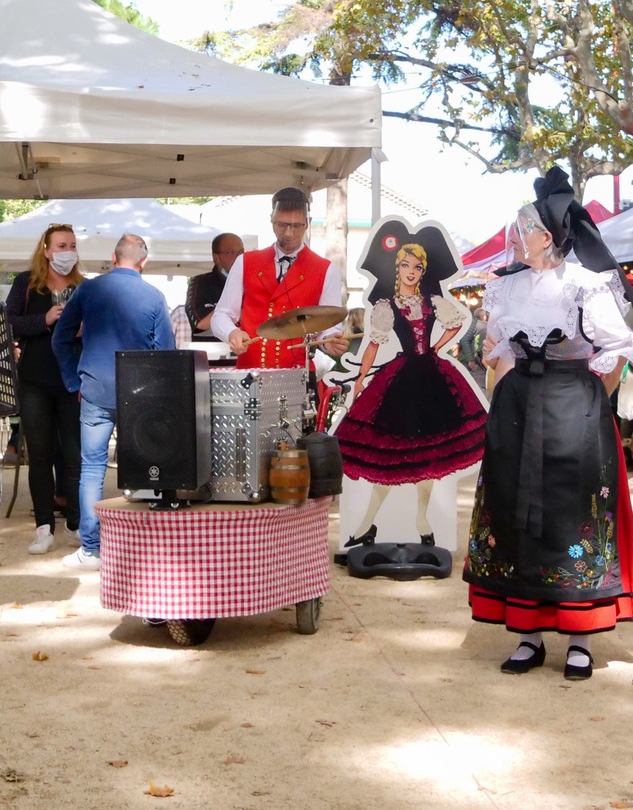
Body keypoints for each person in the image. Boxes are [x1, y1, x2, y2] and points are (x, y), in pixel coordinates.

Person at [466, 168, 633, 680]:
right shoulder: (505, 289)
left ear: (547, 236)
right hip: (518, 409)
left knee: (571, 514)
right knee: (516, 511)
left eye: (522, 228)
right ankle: (528, 636)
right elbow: (498, 350)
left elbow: (622, 344)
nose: (514, 236)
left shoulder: (585, 284)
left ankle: (579, 640)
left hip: (573, 407)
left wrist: (595, 392)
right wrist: (500, 374)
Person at [333, 226, 488, 551]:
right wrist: (361, 378)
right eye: (406, 266)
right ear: (397, 268)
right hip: (402, 380)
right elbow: (374, 344)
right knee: (391, 456)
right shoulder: (387, 305)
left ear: (422, 271)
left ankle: (421, 520)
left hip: (431, 378)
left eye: (417, 267)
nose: (411, 272)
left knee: (428, 455)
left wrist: (437, 347)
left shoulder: (432, 301)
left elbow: (458, 322)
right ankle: (368, 525)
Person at [53, 234, 176, 570]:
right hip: (139, 393)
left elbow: (60, 337)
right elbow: (166, 353)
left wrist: (71, 380)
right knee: (143, 468)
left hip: (93, 388)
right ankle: (141, 550)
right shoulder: (153, 296)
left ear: (113, 256)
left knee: (91, 470)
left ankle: (91, 549)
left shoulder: (89, 289)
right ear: (144, 262)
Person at [5, 223, 84, 554]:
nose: (67, 251)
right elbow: (8, 322)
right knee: (39, 454)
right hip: (35, 380)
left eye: (72, 245)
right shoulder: (26, 284)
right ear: (46, 250)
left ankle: (76, 524)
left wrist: (84, 328)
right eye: (61, 245)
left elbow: (99, 326)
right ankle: (42, 527)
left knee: (75, 456)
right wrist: (45, 320)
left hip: (73, 380)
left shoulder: (84, 287)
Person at [209, 188, 349, 366]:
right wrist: (232, 333)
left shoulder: (327, 270)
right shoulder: (245, 262)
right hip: (251, 372)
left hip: (297, 375)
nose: (289, 233)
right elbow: (221, 315)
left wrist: (329, 340)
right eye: (282, 225)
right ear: (271, 220)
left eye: (296, 226)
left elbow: (328, 323)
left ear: (308, 222)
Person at [185, 232, 246, 335]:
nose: (238, 257)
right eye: (230, 252)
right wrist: (243, 312)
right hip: (215, 348)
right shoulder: (201, 282)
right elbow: (200, 323)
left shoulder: (254, 280)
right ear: (216, 258)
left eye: (241, 252)